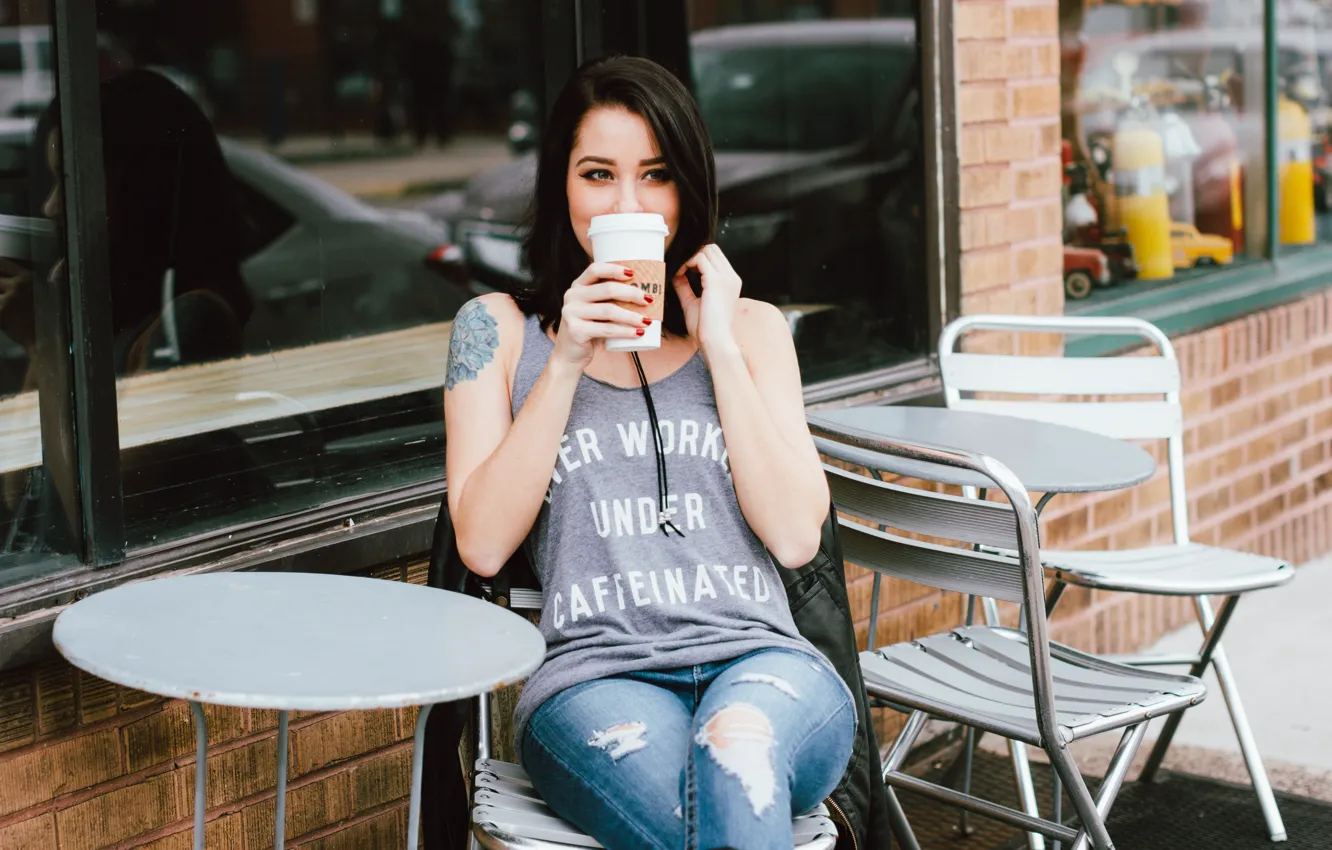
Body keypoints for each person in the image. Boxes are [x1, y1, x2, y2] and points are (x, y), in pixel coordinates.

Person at [443, 56, 855, 850]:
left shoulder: (755, 330)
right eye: (599, 174)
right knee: (714, 818)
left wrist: (722, 349)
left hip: (766, 669)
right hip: (593, 681)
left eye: (656, 176)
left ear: (687, 191)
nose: (628, 205)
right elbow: (485, 544)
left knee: (737, 756)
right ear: (560, 186)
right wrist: (564, 359)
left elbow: (798, 536)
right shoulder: (494, 332)